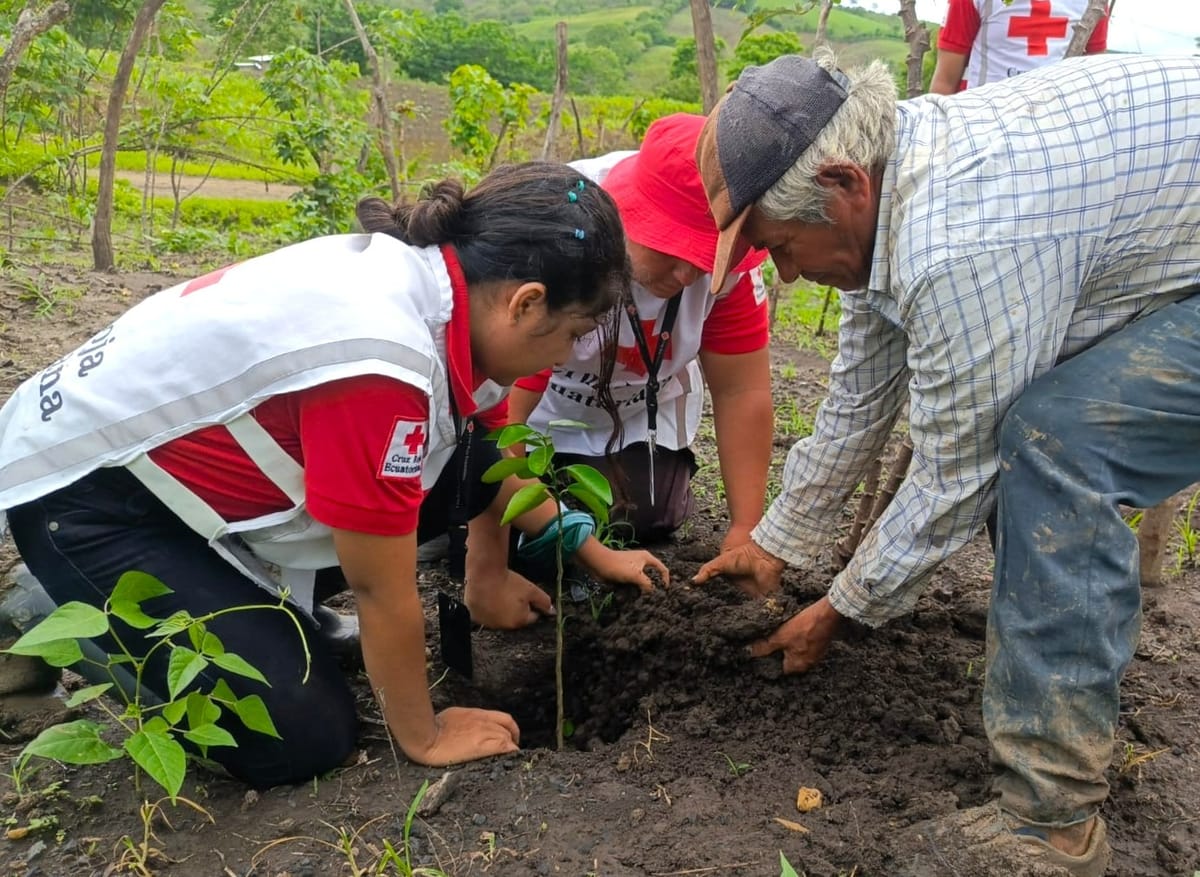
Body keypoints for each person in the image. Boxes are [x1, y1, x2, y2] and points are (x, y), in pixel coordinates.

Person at [692, 49, 1200, 876]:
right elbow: (859, 397)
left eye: (781, 245)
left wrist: (843, 607)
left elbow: (955, 471)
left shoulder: (962, 240)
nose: (784, 272)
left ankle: (1053, 826)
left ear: (842, 185)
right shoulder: (895, 188)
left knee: (1055, 445)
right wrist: (776, 544)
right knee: (1039, 442)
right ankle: (1059, 690)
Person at [0, 162, 669, 788]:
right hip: (86, 497)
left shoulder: (444, 292)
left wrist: (592, 548)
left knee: (459, 473)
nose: (574, 351)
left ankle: (251, 607)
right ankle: (74, 614)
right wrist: (425, 731)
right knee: (305, 735)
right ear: (525, 303)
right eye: (578, 330)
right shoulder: (382, 361)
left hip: (178, 481)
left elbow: (493, 460)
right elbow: (380, 587)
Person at [507, 113, 773, 549]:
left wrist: (746, 530)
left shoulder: (730, 272)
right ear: (630, 213)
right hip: (543, 409)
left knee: (646, 517)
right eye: (672, 248)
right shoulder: (564, 234)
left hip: (640, 411)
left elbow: (742, 392)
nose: (688, 275)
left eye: (704, 257)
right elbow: (507, 401)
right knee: (515, 520)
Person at [929, 0, 1109, 95]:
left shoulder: (1095, 4)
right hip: (980, 126)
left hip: (1053, 129)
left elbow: (1094, 82)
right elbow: (944, 82)